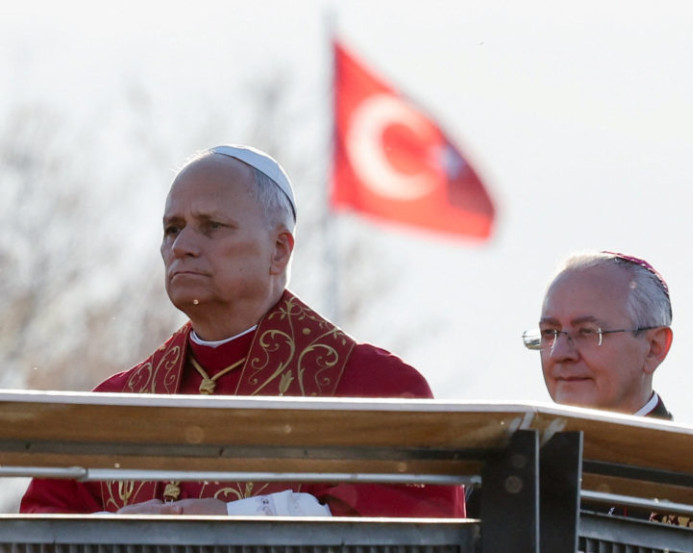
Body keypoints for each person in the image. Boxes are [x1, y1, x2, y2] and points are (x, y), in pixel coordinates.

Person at [20, 145, 465, 518]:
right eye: (172, 229)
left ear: (278, 250)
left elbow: (409, 528)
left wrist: (230, 520)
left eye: (211, 226)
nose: (182, 246)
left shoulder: (375, 390)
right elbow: (40, 534)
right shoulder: (109, 410)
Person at [525, 250, 674, 418]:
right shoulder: (510, 443)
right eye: (549, 333)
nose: (559, 353)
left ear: (653, 348)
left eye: (587, 332)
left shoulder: (688, 445)